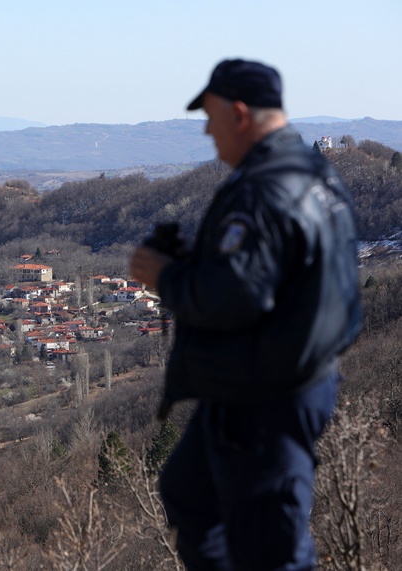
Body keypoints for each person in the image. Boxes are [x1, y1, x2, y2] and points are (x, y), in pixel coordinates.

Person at [129, 59, 362, 570]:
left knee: (273, 546)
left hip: (267, 392)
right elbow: (276, 276)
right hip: (286, 373)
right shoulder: (311, 173)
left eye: (210, 117)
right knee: (188, 491)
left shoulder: (262, 191)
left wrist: (166, 277)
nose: (208, 132)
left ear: (238, 113)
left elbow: (236, 295)